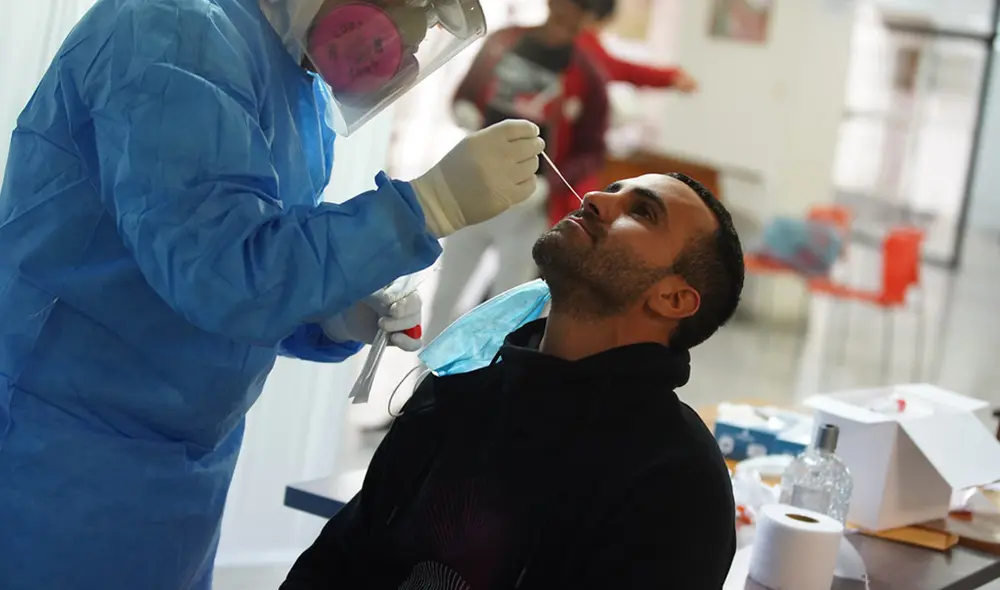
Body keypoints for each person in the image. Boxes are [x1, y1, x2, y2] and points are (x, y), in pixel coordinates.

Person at [0, 0, 546, 588]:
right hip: (62, 446)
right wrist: (427, 207)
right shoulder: (171, 31)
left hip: (179, 463)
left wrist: (329, 314)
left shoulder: (296, 82)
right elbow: (219, 273)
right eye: (420, 8)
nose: (408, 48)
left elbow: (249, 258)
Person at [282, 172, 746, 589]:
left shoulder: (676, 482)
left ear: (674, 298)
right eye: (613, 189)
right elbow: (338, 561)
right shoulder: (462, 388)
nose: (596, 199)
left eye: (642, 211)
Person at [427, 0, 612, 341]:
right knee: (445, 293)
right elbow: (467, 91)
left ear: (590, 15)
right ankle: (422, 383)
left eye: (580, 7)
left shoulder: (588, 76)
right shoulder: (504, 41)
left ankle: (477, 385)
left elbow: (592, 152)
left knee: (507, 311)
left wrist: (552, 185)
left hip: (527, 210)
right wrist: (463, 110)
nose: (566, 11)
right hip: (476, 189)